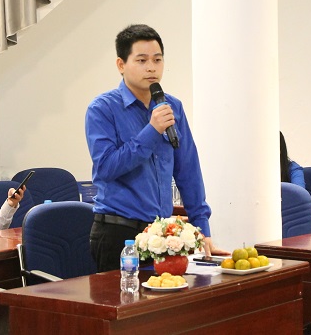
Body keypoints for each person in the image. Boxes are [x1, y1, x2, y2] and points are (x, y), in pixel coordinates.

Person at [85, 24, 220, 272]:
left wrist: (202, 228)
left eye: (157, 60)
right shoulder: (102, 109)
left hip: (162, 236)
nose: (151, 67)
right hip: (118, 234)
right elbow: (105, 167)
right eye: (142, 60)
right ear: (121, 64)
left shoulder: (172, 107)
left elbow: (188, 171)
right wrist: (151, 131)